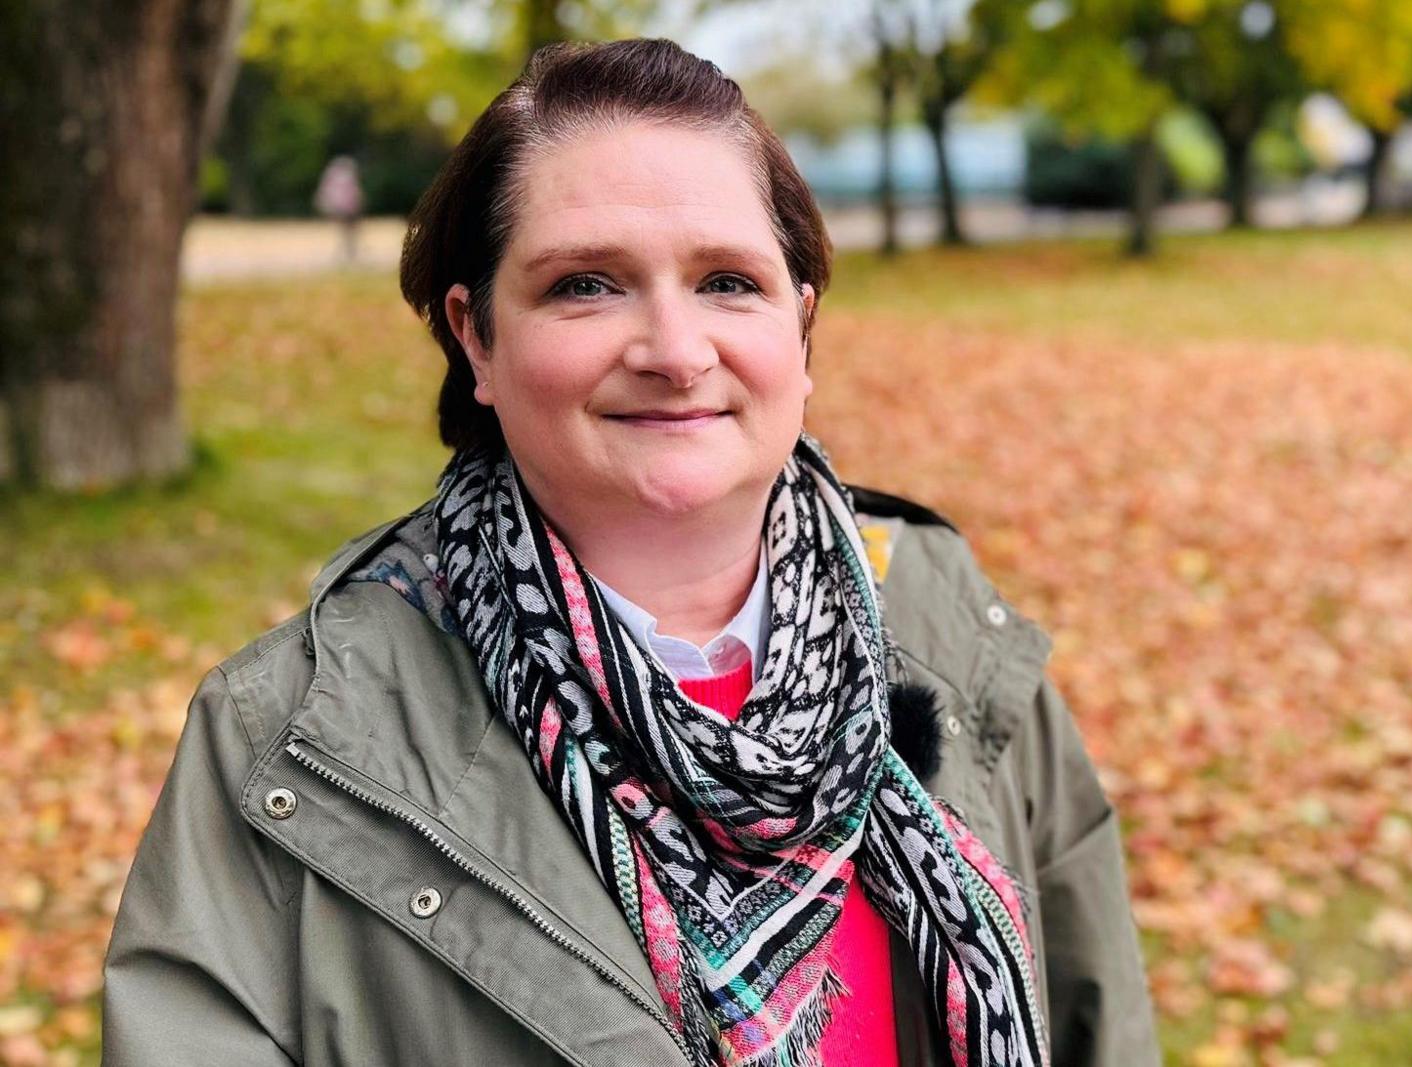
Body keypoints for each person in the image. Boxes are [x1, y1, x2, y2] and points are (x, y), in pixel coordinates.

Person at [102, 39, 1158, 1067]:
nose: (673, 350)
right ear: (475, 335)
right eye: (586, 285)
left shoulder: (950, 631)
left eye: (727, 282)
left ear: (801, 323)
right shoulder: (293, 732)